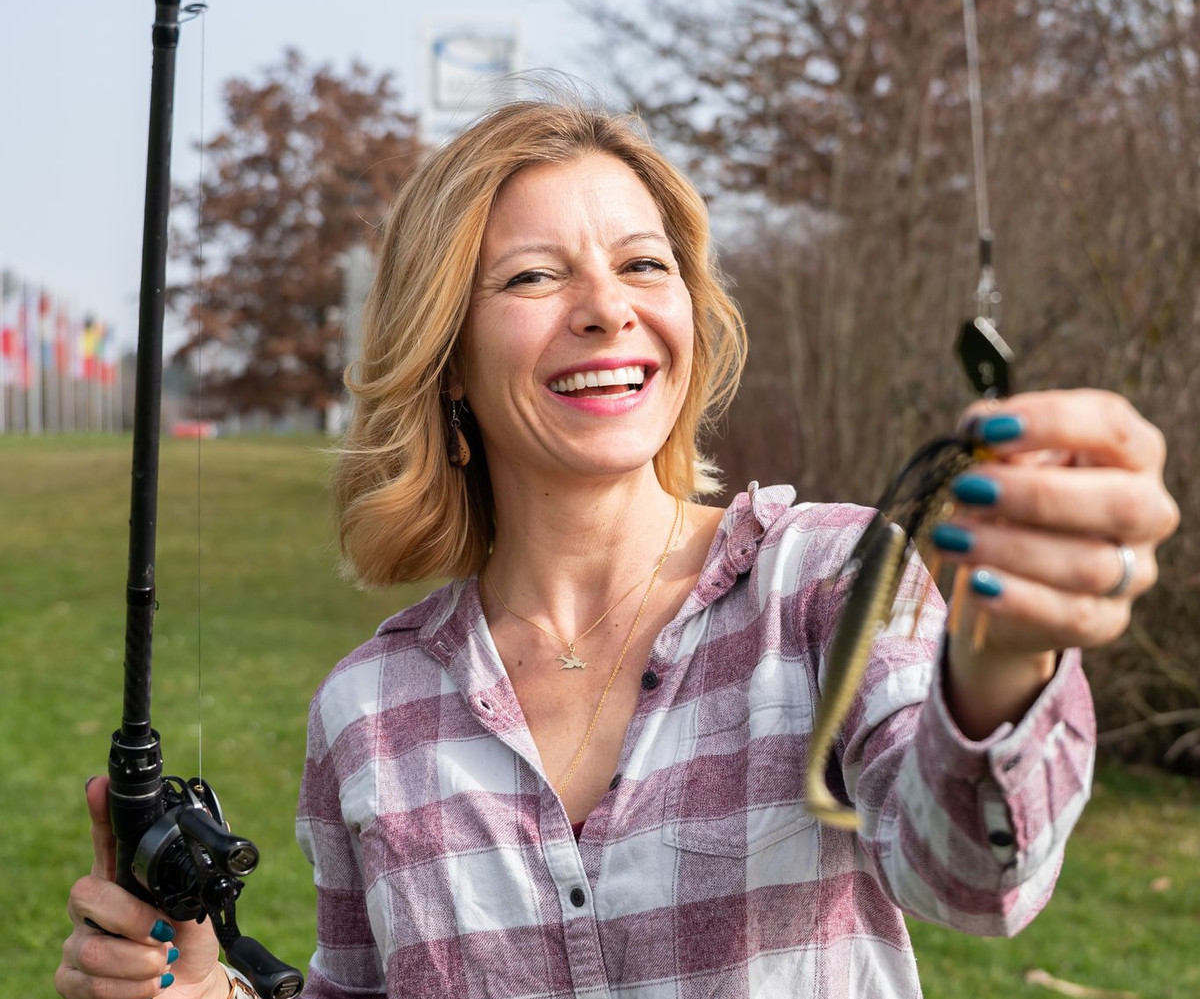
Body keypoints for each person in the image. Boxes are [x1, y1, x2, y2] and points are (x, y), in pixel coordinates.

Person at [57, 100, 1178, 999]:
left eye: (644, 265)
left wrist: (1004, 658)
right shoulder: (368, 710)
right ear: (445, 353)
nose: (606, 309)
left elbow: (973, 874)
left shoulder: (827, 582)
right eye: (535, 277)